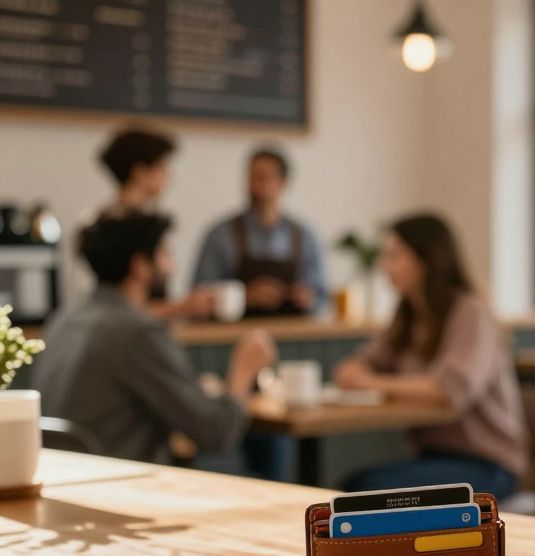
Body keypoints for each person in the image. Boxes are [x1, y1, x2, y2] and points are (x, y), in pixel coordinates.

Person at [36, 212, 276, 464]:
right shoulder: (138, 333)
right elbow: (216, 432)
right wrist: (243, 372)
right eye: (165, 254)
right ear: (140, 266)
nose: (172, 266)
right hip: (119, 489)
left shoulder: (63, 320)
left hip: (63, 481)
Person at [334, 214, 528, 499]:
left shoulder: (470, 312)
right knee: (355, 485)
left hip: (488, 464)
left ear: (426, 260)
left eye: (395, 256)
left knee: (363, 490)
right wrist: (357, 373)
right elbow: (360, 364)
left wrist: (371, 383)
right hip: (433, 457)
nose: (384, 265)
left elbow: (450, 388)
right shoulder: (408, 316)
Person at [61, 127, 212, 318]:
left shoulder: (155, 226)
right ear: (140, 172)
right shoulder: (95, 226)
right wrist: (180, 308)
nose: (169, 177)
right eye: (162, 167)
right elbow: (96, 307)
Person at [192, 147, 328, 317]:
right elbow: (199, 295)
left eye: (263, 178)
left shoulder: (304, 237)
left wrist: (307, 298)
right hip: (233, 335)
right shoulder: (221, 235)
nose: (256, 186)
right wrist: (244, 298)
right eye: (252, 177)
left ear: (283, 182)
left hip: (292, 335)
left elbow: (322, 297)